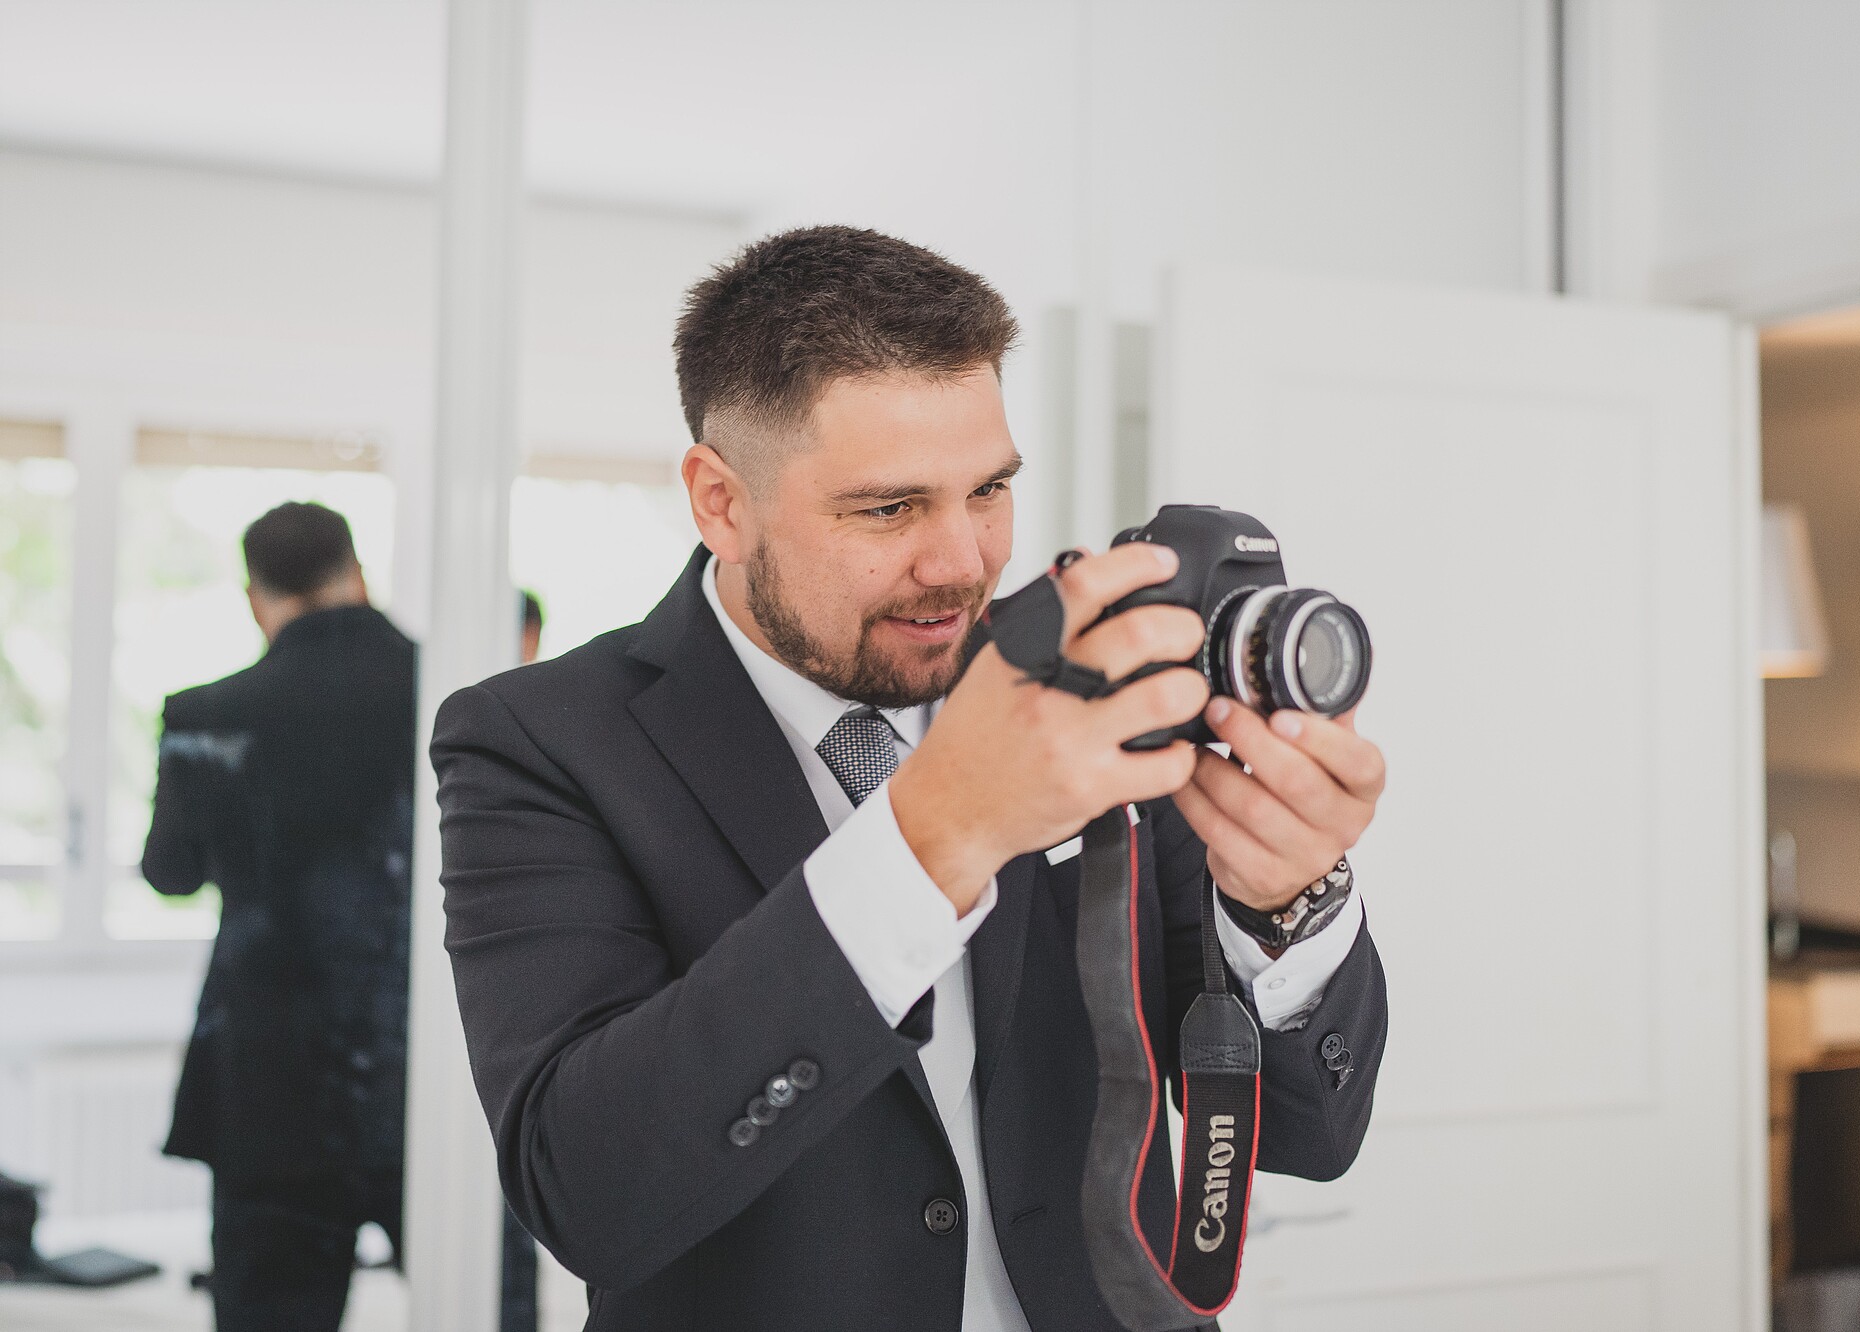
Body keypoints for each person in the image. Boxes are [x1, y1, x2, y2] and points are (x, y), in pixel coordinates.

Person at [432, 226, 1390, 1330]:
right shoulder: (537, 739)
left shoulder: (1079, 687)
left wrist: (1287, 903)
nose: (963, 562)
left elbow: (1310, 1135)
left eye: (987, 489)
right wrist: (934, 834)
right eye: (887, 508)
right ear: (720, 502)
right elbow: (587, 1194)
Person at [143, 501, 415, 1332]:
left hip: (270, 1071)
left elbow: (171, 873)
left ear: (255, 596)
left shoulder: (206, 715)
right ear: (356, 574)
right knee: (482, 1297)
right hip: (427, 1060)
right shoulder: (456, 690)